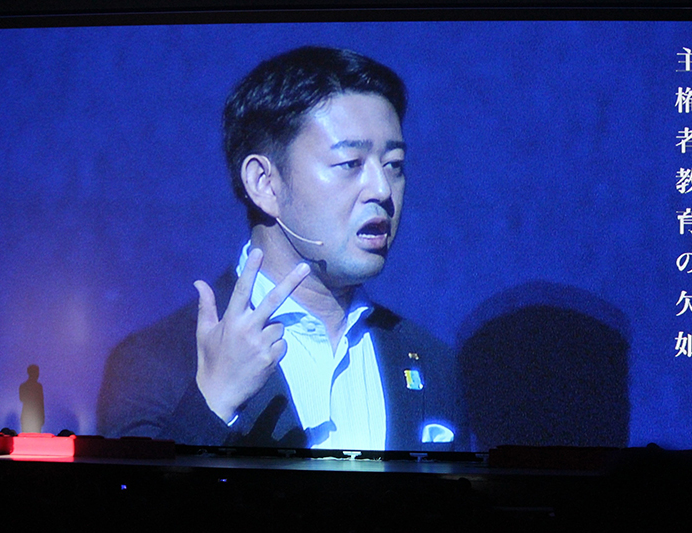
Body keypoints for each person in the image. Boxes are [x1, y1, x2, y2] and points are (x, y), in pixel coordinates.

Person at [97, 46, 458, 451]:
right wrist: (212, 403)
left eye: (394, 164)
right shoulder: (158, 360)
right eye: (350, 163)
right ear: (263, 183)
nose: (381, 189)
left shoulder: (432, 362)